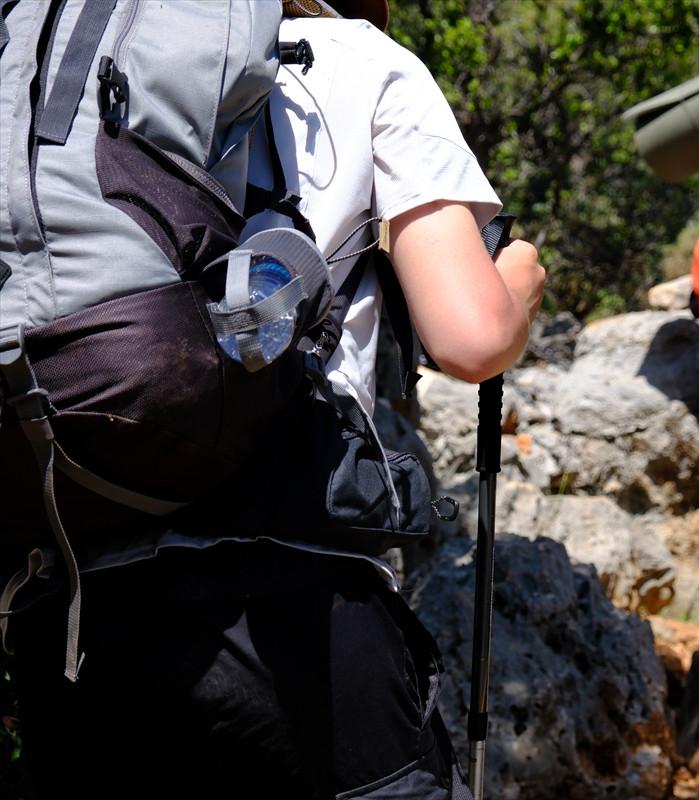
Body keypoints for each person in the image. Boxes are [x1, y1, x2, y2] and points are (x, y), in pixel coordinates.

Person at [4, 1, 544, 798]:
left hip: (72, 615)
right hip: (300, 617)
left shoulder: (39, 61)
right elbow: (471, 337)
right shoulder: (362, 58)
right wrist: (519, 281)